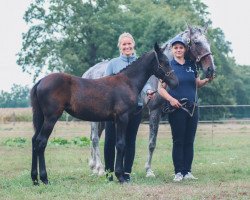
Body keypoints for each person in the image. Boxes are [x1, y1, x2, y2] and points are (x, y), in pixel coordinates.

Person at [158, 36, 213, 182]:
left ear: (185, 49)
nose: (178, 50)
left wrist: (207, 80)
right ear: (172, 49)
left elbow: (196, 84)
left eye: (181, 47)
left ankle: (187, 171)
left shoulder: (192, 65)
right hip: (177, 108)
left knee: (189, 141)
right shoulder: (168, 66)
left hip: (193, 108)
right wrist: (171, 99)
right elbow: (161, 89)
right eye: (175, 47)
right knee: (178, 141)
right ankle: (178, 172)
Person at [104, 32, 154, 182]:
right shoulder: (113, 63)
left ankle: (126, 172)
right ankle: (109, 172)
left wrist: (148, 90)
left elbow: (145, 82)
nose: (127, 46)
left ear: (133, 45)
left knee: (130, 140)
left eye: (129, 44)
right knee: (110, 140)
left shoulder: (140, 62)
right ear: (120, 46)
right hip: (113, 111)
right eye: (124, 44)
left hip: (134, 109)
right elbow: (105, 84)